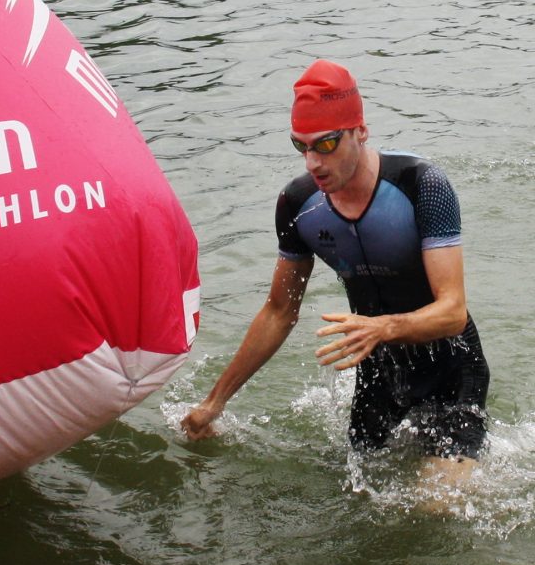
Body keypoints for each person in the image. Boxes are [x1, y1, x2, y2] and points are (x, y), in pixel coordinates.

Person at [181, 59, 489, 492]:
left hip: (451, 366)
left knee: (433, 505)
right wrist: (214, 403)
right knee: (358, 497)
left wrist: (382, 327)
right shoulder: (298, 205)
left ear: (360, 131)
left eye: (326, 144)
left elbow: (452, 312)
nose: (313, 162)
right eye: (301, 146)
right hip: (378, 369)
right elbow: (279, 312)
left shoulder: (421, 186)